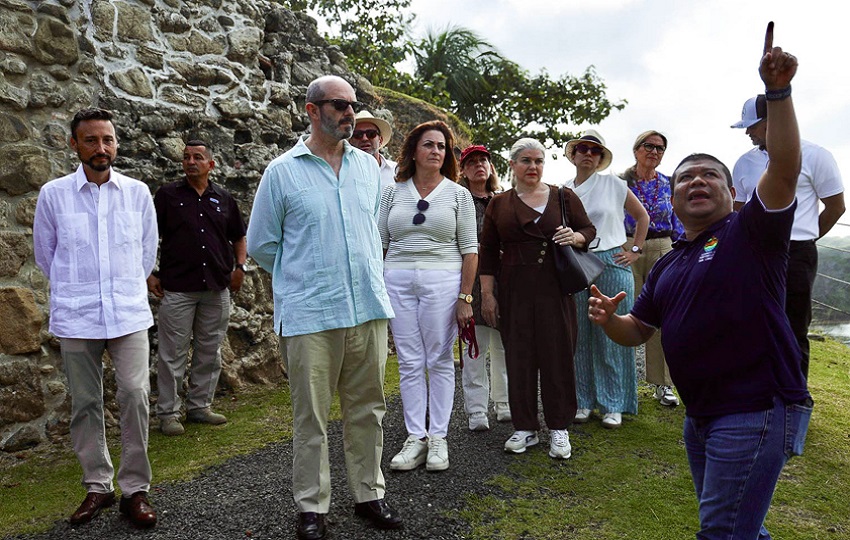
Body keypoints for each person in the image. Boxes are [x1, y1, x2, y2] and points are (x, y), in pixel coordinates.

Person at [588, 24, 812, 539]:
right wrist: (609, 320)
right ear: (675, 194)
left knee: (722, 532)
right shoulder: (669, 264)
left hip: (753, 410)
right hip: (701, 416)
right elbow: (638, 331)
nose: (695, 181)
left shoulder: (751, 230)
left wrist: (777, 93)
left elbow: (784, 165)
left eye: (708, 174)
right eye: (685, 176)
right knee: (742, 529)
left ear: (733, 191)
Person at [246, 75, 402, 540]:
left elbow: (370, 234)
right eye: (339, 105)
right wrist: (307, 276)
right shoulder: (282, 171)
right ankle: (311, 507)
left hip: (367, 309)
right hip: (311, 313)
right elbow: (262, 245)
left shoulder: (367, 169)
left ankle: (369, 495)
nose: (350, 113)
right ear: (312, 110)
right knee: (310, 415)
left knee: (368, 408)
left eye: (353, 105)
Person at [32, 108, 158, 528]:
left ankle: (135, 489)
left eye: (107, 140)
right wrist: (79, 290)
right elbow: (45, 257)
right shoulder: (53, 195)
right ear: (75, 145)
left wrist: (121, 289)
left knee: (136, 396)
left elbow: (145, 254)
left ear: (116, 143)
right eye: (91, 140)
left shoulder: (138, 193)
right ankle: (98, 486)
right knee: (86, 403)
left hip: (128, 313)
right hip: (77, 315)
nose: (100, 148)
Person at [480, 138, 597, 459]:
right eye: (526, 161)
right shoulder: (499, 204)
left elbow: (588, 229)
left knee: (557, 356)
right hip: (514, 290)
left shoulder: (563, 197)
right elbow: (487, 253)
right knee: (518, 358)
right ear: (513, 165)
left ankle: (559, 428)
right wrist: (488, 295)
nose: (533, 167)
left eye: (538, 161)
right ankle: (525, 427)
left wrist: (575, 236)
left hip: (554, 289)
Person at [379, 120, 478, 471]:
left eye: (441, 146)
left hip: (443, 281)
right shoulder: (392, 192)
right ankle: (414, 438)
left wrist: (465, 298)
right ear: (414, 151)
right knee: (408, 360)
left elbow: (470, 250)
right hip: (398, 281)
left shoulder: (457, 194)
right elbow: (380, 244)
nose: (435, 151)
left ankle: (438, 438)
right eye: (428, 145)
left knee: (437, 359)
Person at [731, 95, 845, 379]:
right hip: (753, 253)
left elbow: (836, 206)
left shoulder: (816, 155)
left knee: (793, 327)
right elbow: (739, 212)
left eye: (752, 126)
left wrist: (806, 238)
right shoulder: (743, 163)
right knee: (752, 324)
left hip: (797, 254)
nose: (747, 132)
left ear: (773, 121)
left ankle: (793, 400)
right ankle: (756, 396)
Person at [147, 140, 248, 436]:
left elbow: (239, 237)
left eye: (198, 157)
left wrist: (240, 267)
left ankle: (199, 406)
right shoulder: (167, 196)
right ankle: (168, 413)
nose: (191, 161)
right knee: (171, 354)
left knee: (210, 350)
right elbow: (148, 236)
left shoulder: (224, 198)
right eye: (187, 157)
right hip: (177, 288)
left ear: (210, 165)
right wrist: (149, 273)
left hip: (216, 287)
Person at [565, 130, 649, 428]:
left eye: (595, 151)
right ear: (573, 154)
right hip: (576, 263)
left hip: (612, 261)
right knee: (580, 336)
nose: (588, 154)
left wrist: (635, 250)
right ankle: (584, 401)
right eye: (583, 149)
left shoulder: (614, 184)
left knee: (610, 336)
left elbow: (642, 217)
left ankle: (614, 403)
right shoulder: (562, 190)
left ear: (600, 158)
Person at [620, 130, 684, 407]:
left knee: (663, 315)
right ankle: (621, 386)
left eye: (660, 148)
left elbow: (678, 218)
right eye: (649, 146)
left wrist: (681, 249)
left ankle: (663, 384)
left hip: (662, 247)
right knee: (623, 314)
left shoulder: (670, 184)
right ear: (636, 150)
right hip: (627, 248)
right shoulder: (620, 182)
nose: (654, 152)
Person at [457, 144, 510, 430]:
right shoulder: (456, 199)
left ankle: (504, 403)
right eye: (472, 161)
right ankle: (476, 410)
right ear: (463, 170)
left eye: (483, 161)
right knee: (473, 346)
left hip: (503, 279)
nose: (479, 165)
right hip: (469, 280)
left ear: (490, 167)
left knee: (504, 345)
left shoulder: (504, 200)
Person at [350, 110, 398, 189]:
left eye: (371, 134)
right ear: (350, 141)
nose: (364, 138)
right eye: (358, 134)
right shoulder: (343, 172)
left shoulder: (396, 171)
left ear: (380, 140)